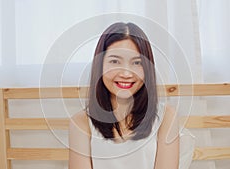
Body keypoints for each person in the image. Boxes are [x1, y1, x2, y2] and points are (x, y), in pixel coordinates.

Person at [69, 22, 179, 169]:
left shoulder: (166, 117)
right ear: (100, 65)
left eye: (136, 62)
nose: (126, 74)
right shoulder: (81, 122)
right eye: (115, 61)